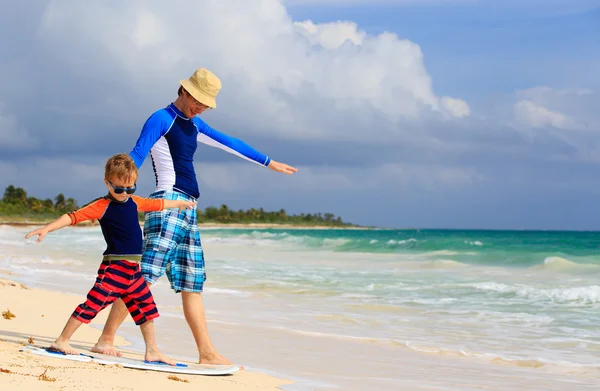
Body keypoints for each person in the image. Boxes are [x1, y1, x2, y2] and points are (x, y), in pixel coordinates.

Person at [90, 68, 298, 365]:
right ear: (184, 91)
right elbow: (136, 155)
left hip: (188, 209)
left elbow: (231, 142)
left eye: (206, 103)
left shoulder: (195, 125)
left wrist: (269, 162)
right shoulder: (161, 119)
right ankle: (106, 338)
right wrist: (119, 190)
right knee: (143, 275)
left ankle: (207, 352)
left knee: (192, 281)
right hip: (168, 203)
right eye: (197, 100)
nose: (200, 107)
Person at [25, 153, 197, 365]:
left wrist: (179, 204)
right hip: (114, 268)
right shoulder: (101, 205)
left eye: (130, 188)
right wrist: (46, 229)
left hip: (134, 271)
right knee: (93, 304)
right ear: (107, 183)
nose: (125, 193)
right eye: (119, 188)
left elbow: (158, 204)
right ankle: (62, 340)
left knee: (147, 309)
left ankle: (152, 351)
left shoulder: (134, 202)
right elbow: (72, 217)